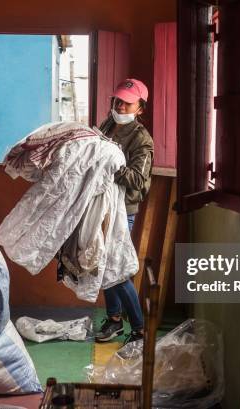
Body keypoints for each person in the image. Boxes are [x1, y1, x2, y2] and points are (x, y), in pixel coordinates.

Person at [94, 78, 153, 344]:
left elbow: (139, 182)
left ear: (140, 108)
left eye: (127, 104)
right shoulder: (108, 124)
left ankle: (139, 329)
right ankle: (115, 320)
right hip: (103, 205)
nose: (120, 106)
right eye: (117, 101)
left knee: (115, 269)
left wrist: (111, 166)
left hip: (122, 210)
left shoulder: (142, 140)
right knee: (104, 264)